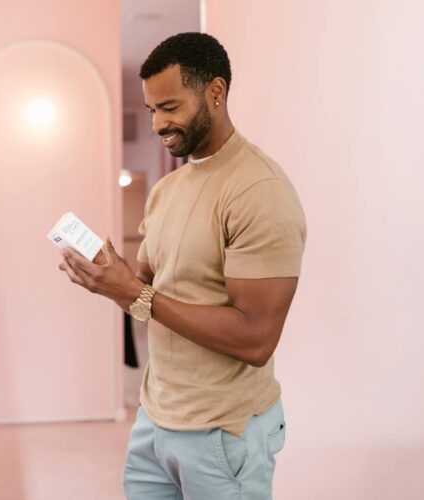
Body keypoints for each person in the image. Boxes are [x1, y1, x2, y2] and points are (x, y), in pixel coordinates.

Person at [58, 32, 306, 499]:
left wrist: (137, 293)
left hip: (223, 433)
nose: (157, 124)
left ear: (216, 92)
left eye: (170, 107)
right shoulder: (166, 191)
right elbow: (149, 296)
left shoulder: (259, 191)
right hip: (156, 420)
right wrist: (114, 283)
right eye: (152, 110)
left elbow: (256, 338)